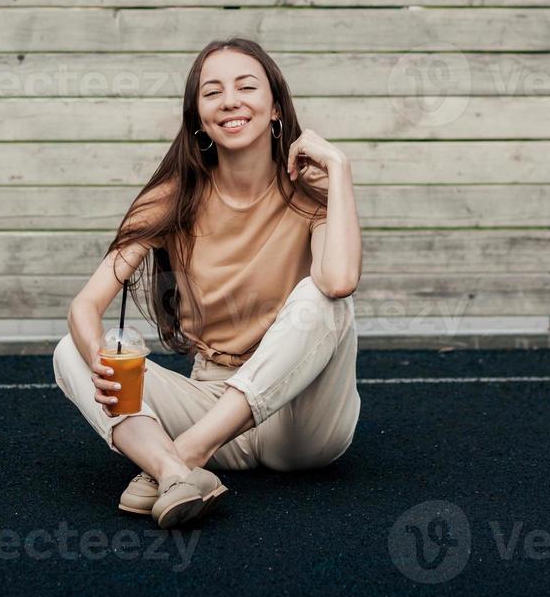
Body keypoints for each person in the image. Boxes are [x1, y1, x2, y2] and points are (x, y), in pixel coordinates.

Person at [52, 37, 363, 529]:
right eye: (212, 92)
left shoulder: (313, 194)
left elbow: (340, 282)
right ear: (199, 118)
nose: (230, 101)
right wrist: (100, 365)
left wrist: (340, 171)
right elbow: (85, 306)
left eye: (246, 86)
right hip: (213, 403)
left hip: (301, 424)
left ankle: (180, 458)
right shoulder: (172, 197)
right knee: (69, 349)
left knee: (322, 300)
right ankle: (173, 471)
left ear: (276, 107)